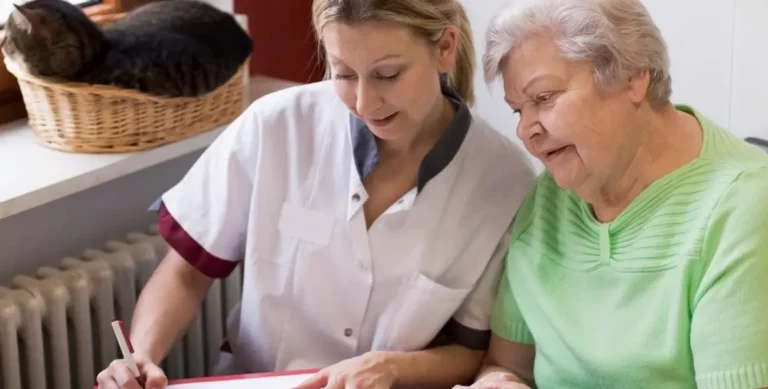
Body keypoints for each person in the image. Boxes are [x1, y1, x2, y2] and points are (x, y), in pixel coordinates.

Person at [95, 1, 537, 389]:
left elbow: (470, 350)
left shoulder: (503, 181)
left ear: (445, 48)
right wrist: (142, 357)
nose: (365, 103)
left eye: (388, 74)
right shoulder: (277, 125)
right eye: (344, 73)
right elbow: (185, 272)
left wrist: (391, 368)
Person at [459, 0, 768, 388]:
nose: (525, 131)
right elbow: (508, 364)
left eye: (544, 98)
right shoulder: (549, 199)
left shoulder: (742, 209)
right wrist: (498, 382)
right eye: (518, 110)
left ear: (633, 77)